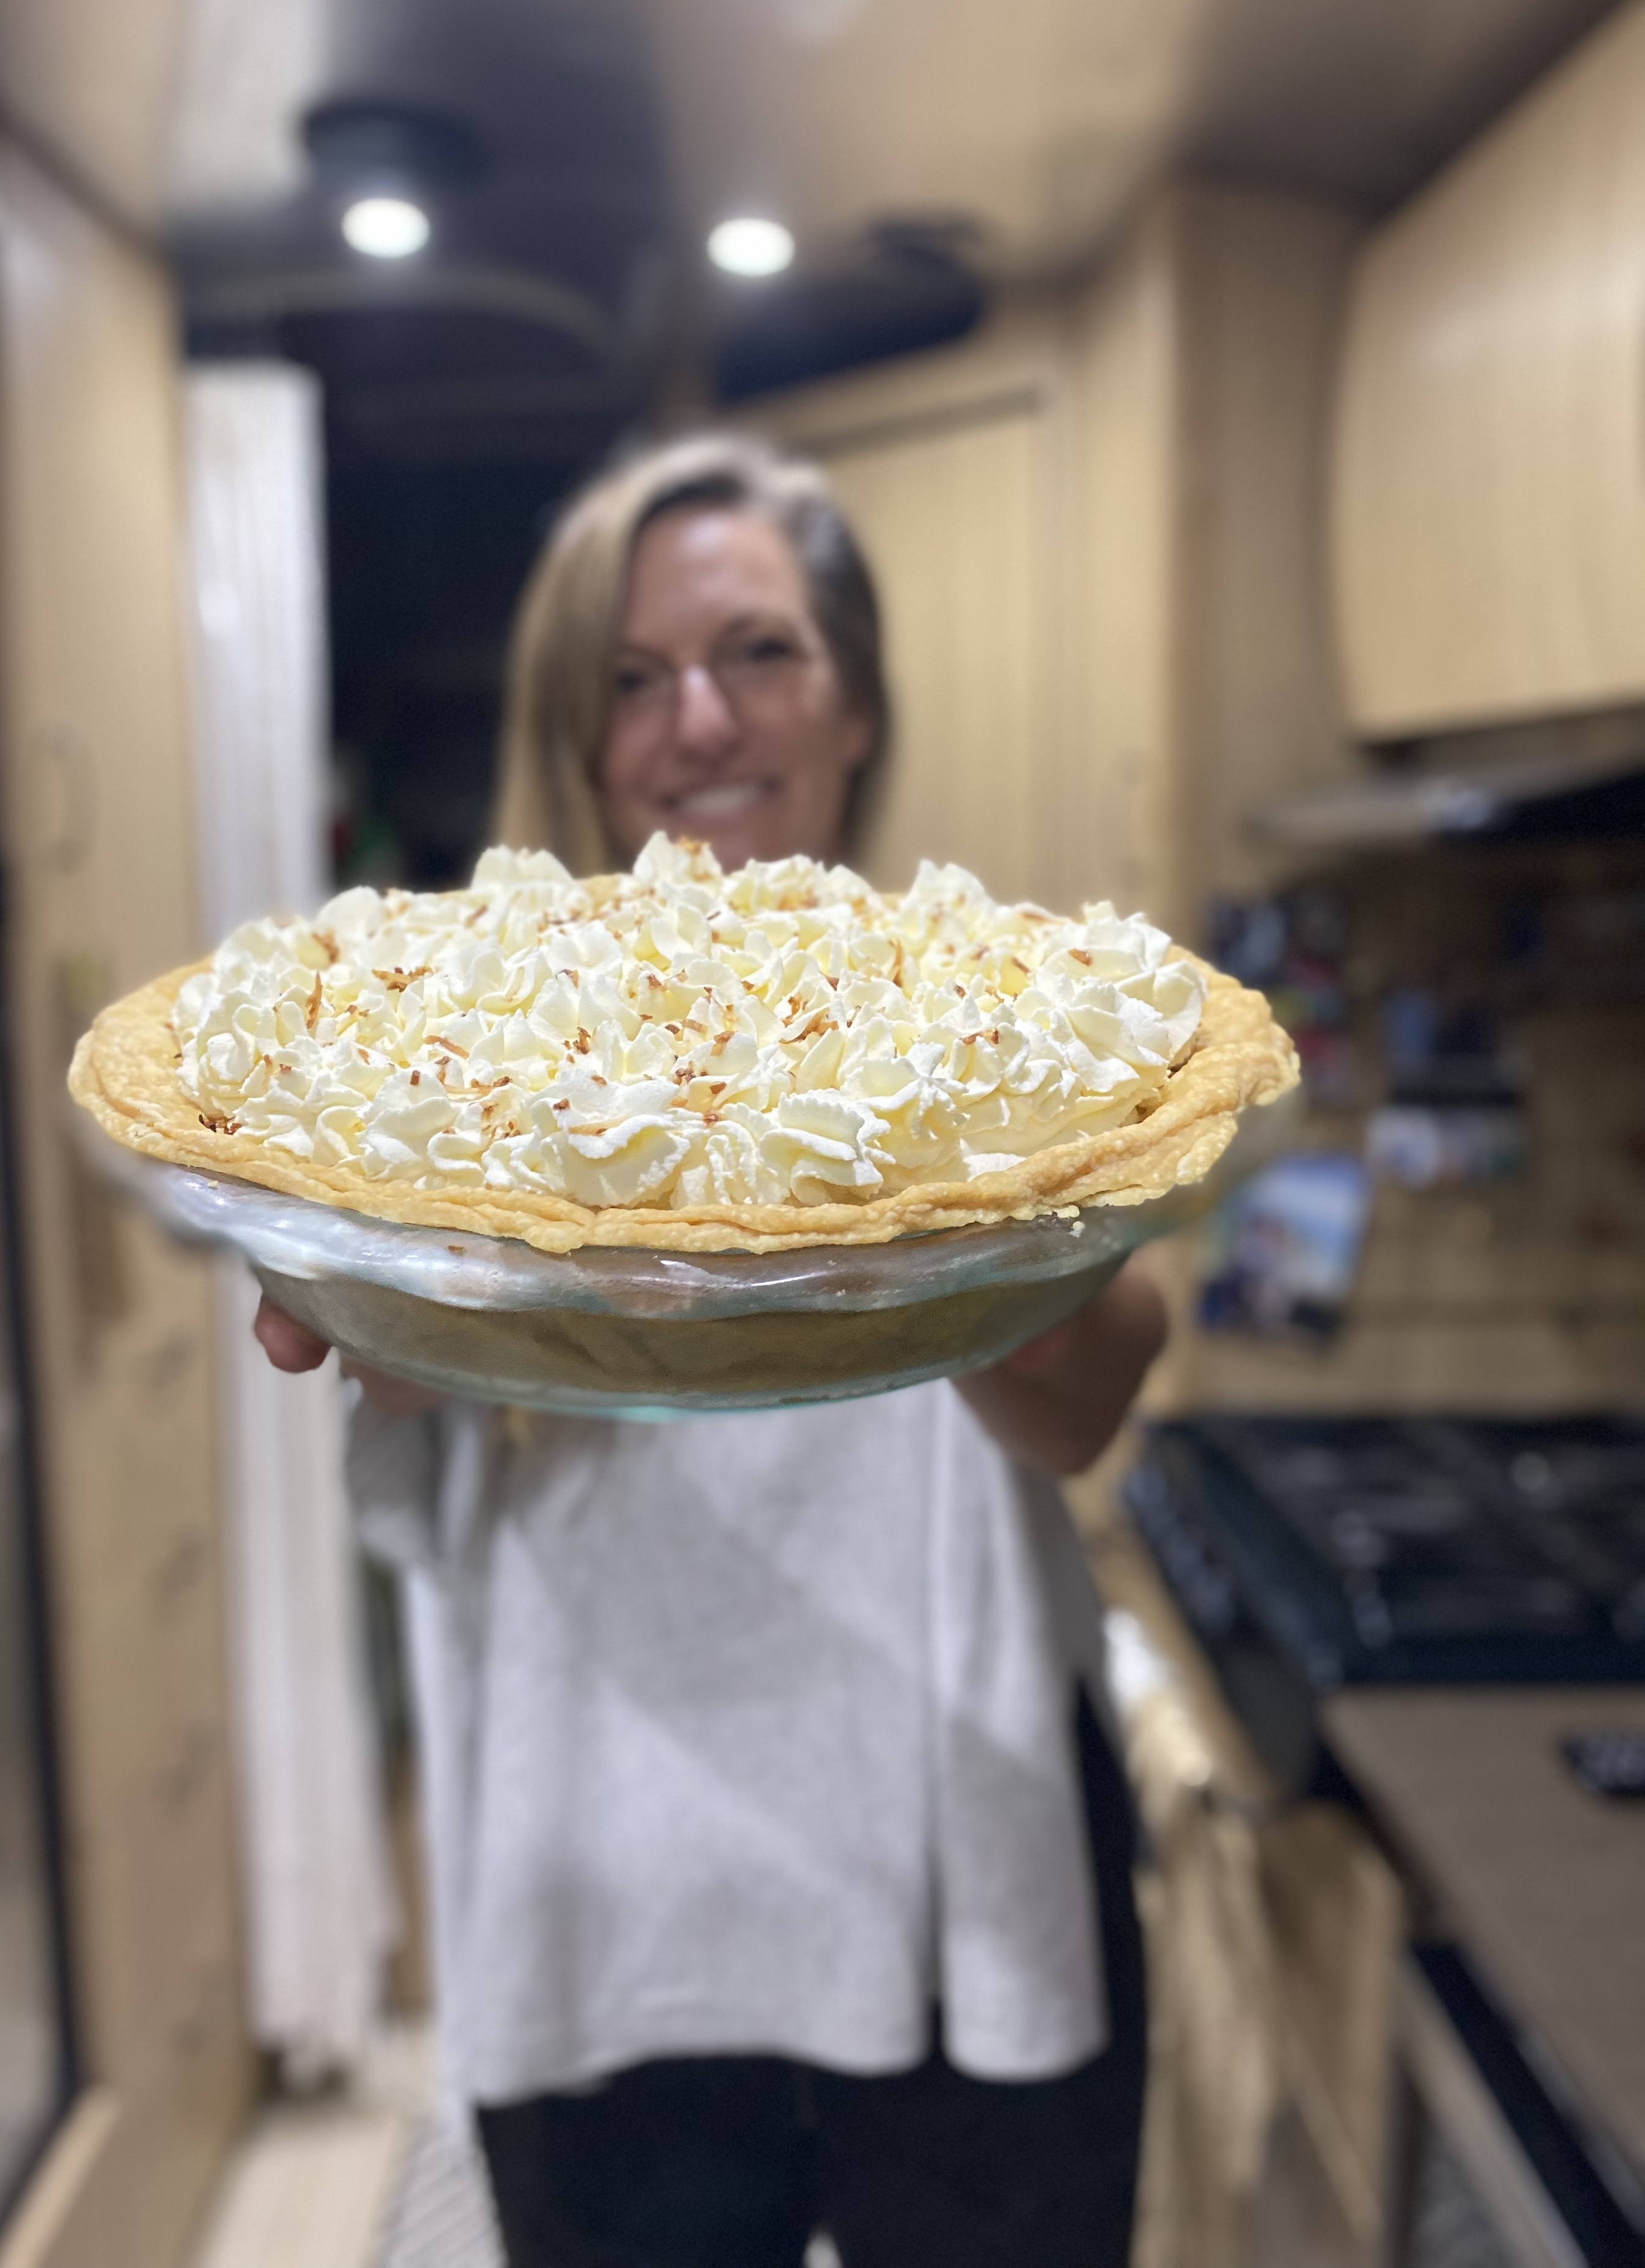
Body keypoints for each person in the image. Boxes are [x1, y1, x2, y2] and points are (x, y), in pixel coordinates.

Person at [255, 435, 1167, 2268]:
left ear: (854, 706)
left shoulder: (969, 1025)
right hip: (615, 1887)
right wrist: (401, 1297)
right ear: (578, 739)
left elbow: (1094, 1386)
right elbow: (380, 1383)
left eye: (760, 653)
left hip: (959, 1861)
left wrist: (939, 1236)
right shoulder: (472, 1067)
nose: (699, 723)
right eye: (630, 677)